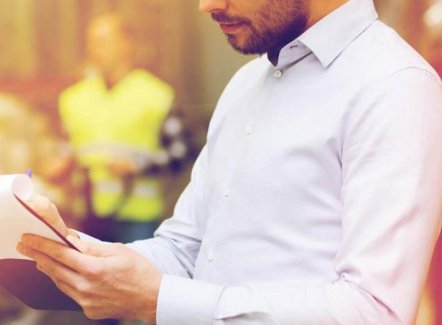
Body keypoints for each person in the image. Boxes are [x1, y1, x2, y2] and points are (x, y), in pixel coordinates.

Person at [17, 0, 442, 324]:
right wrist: (73, 254)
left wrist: (159, 298)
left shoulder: (396, 87)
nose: (207, 5)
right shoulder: (245, 83)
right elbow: (186, 249)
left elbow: (372, 313)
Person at [58, 13, 175, 243]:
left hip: (137, 217)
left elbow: (180, 153)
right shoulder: (74, 97)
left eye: (102, 41)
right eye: (90, 42)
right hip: (87, 215)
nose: (94, 50)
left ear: (126, 44)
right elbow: (68, 146)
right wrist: (60, 163)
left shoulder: (156, 94)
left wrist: (138, 166)